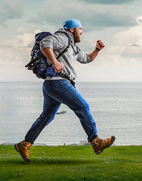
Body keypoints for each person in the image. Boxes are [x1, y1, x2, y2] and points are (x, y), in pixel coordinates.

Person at [14, 19, 115, 162]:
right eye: (80, 29)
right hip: (58, 82)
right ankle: (96, 141)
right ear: (72, 29)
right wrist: (55, 62)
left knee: (46, 116)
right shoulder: (62, 37)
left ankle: (25, 144)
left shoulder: (71, 45)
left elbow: (86, 58)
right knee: (82, 106)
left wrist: (97, 49)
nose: (82, 32)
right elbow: (45, 43)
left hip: (51, 85)